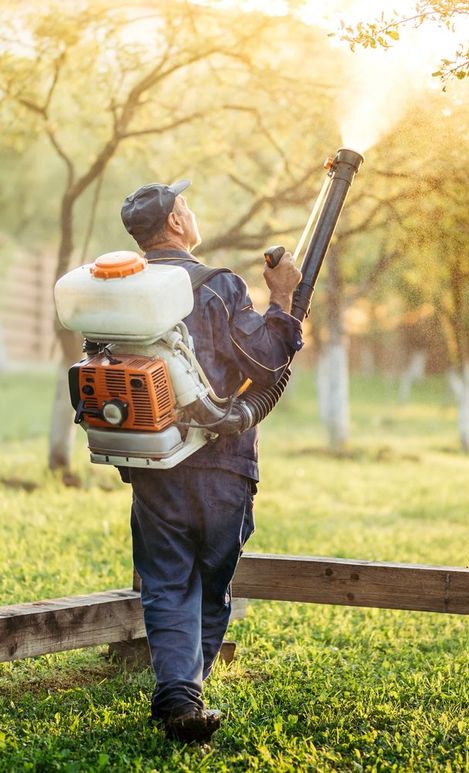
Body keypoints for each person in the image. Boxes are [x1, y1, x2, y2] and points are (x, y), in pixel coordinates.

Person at [120, 179, 303, 743]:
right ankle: (184, 696)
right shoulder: (216, 285)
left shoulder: (123, 288)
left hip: (155, 465)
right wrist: (284, 299)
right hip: (222, 464)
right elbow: (268, 362)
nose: (192, 212)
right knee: (211, 581)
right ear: (176, 222)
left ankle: (180, 694)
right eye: (188, 206)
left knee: (166, 582)